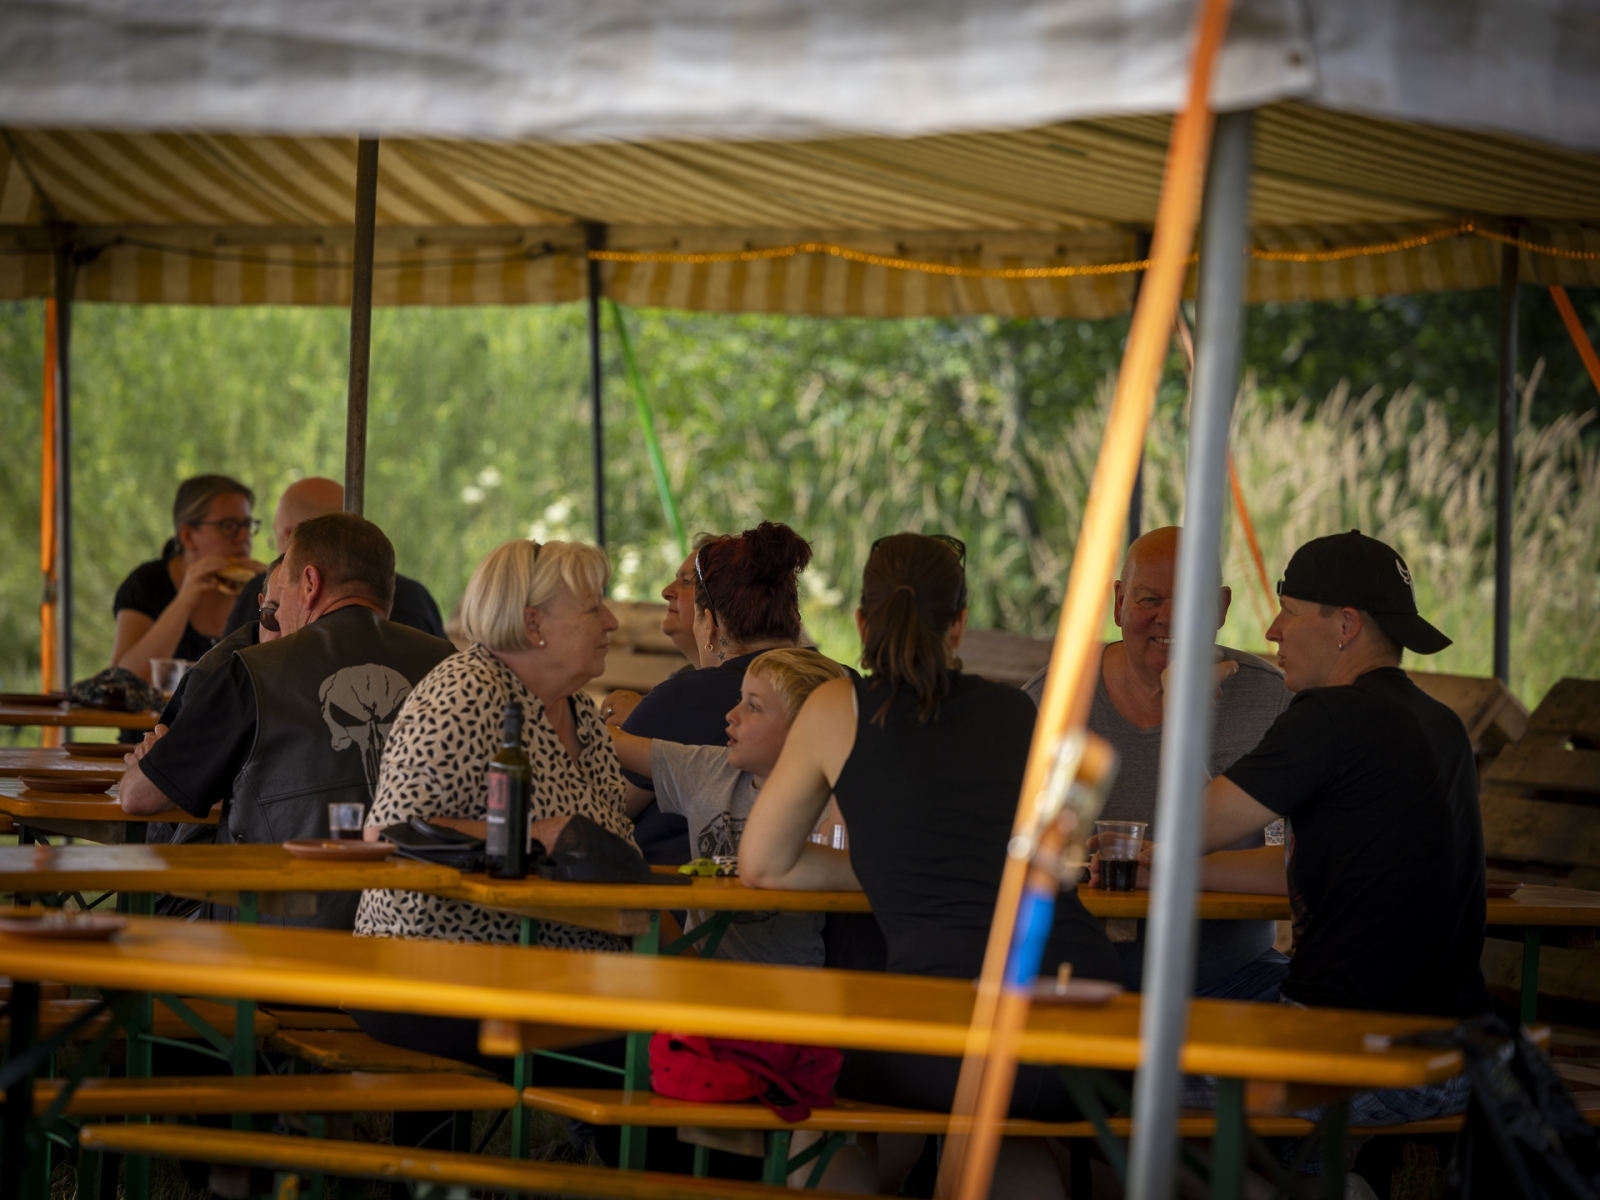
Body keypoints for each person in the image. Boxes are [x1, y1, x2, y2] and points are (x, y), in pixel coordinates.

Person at [740, 533, 1120, 1198]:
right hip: (1093, 1023)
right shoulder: (1016, 710)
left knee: (818, 1094)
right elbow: (1058, 855)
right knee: (1002, 1128)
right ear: (960, 624)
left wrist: (890, 870)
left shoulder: (839, 707)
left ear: (861, 622)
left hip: (956, 1030)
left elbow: (762, 864)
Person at [1196, 530, 1486, 1129]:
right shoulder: (1443, 724)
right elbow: (1321, 866)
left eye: (1290, 611)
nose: (1273, 630)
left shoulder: (1329, 715)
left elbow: (1190, 825)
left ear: (1346, 625)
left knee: (1104, 1076)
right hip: (1456, 1056)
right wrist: (1168, 867)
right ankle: (1311, 1176)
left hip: (1352, 1057)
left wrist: (1185, 709)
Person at [118, 513, 454, 929]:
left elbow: (137, 798)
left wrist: (148, 765)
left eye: (284, 595)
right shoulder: (448, 663)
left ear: (310, 584)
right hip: (422, 928)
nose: (276, 618)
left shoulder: (254, 670)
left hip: (271, 934)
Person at [1022, 526, 1291, 1001]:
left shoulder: (1271, 700)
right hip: (1081, 980)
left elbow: (1306, 861)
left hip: (1236, 978)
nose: (1169, 617)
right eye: (1149, 599)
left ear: (1221, 607)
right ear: (1119, 602)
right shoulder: (1054, 701)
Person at [354, 537, 640, 953]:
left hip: (571, 963)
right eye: (593, 608)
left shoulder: (580, 710)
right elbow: (388, 833)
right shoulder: (466, 690)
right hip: (442, 960)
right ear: (532, 624)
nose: (611, 622)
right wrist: (533, 837)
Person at [609, 648, 849, 966]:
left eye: (753, 707)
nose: (731, 714)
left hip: (786, 981)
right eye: (740, 700)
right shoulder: (712, 768)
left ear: (801, 731)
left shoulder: (826, 802)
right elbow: (611, 741)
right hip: (702, 973)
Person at [613, 521, 813, 865]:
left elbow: (603, 807)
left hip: (681, 892)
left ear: (710, 626)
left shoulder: (683, 699)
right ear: (793, 617)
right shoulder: (844, 686)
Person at [224, 476, 446, 640]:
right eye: (271, 616)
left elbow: (224, 678)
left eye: (276, 539)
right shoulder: (417, 598)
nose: (278, 616)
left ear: (292, 539)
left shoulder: (265, 590)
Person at [112, 475, 266, 681]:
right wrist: (184, 601)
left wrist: (273, 588)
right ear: (187, 536)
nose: (244, 538)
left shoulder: (256, 586)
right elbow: (120, 681)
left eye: (247, 525)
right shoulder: (147, 584)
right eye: (228, 526)